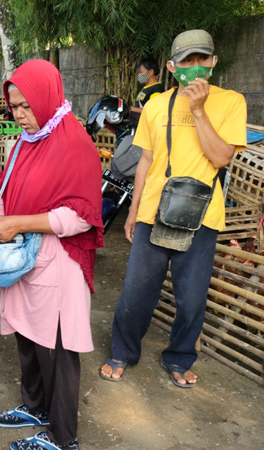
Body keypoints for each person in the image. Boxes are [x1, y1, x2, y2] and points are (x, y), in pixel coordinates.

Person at [99, 30, 247, 388]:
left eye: (201, 60)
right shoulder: (155, 104)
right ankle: (123, 350)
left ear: (213, 62)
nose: (194, 68)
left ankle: (179, 357)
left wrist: (198, 110)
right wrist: (133, 212)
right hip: (153, 212)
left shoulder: (231, 102)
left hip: (201, 217)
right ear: (172, 66)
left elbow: (221, 157)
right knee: (136, 290)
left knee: (192, 298)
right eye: (186, 61)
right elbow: (145, 161)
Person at [0, 60, 103, 450]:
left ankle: (62, 435)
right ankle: (35, 407)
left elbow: (81, 216)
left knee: (57, 349)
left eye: (25, 106)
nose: (19, 115)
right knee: (27, 337)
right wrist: (2, 215)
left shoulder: (74, 143)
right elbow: (9, 185)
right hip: (24, 258)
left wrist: (18, 223)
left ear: (46, 98)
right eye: (13, 107)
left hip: (58, 263)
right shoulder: (27, 141)